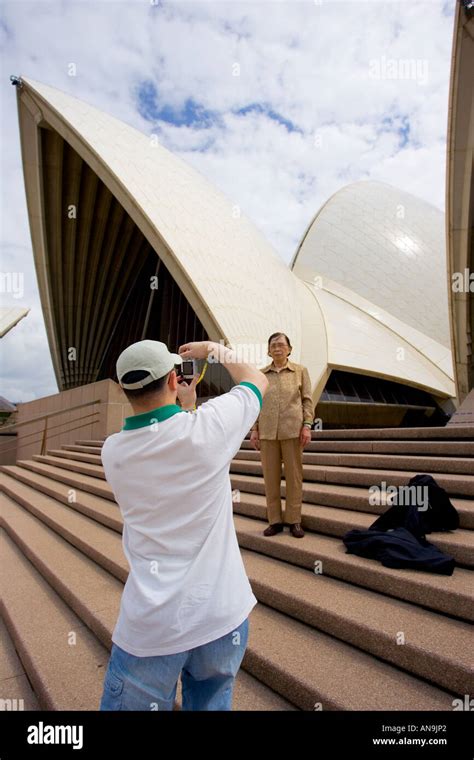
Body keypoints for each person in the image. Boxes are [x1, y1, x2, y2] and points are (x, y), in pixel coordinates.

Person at [99, 339, 268, 711]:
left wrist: (187, 410)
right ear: (175, 379)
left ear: (125, 390)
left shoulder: (112, 452)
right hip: (222, 616)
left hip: (153, 626)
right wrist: (213, 350)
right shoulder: (210, 430)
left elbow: (166, 444)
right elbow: (256, 379)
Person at [250, 332, 313, 538]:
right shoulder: (261, 375)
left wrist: (307, 425)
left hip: (292, 431)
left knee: (294, 478)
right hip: (267, 432)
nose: (277, 348)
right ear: (268, 350)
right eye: (273, 345)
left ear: (289, 349)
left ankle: (294, 520)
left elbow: (307, 400)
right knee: (270, 478)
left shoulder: (300, 372)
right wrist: (254, 430)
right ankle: (274, 521)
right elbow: (256, 404)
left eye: (281, 345)